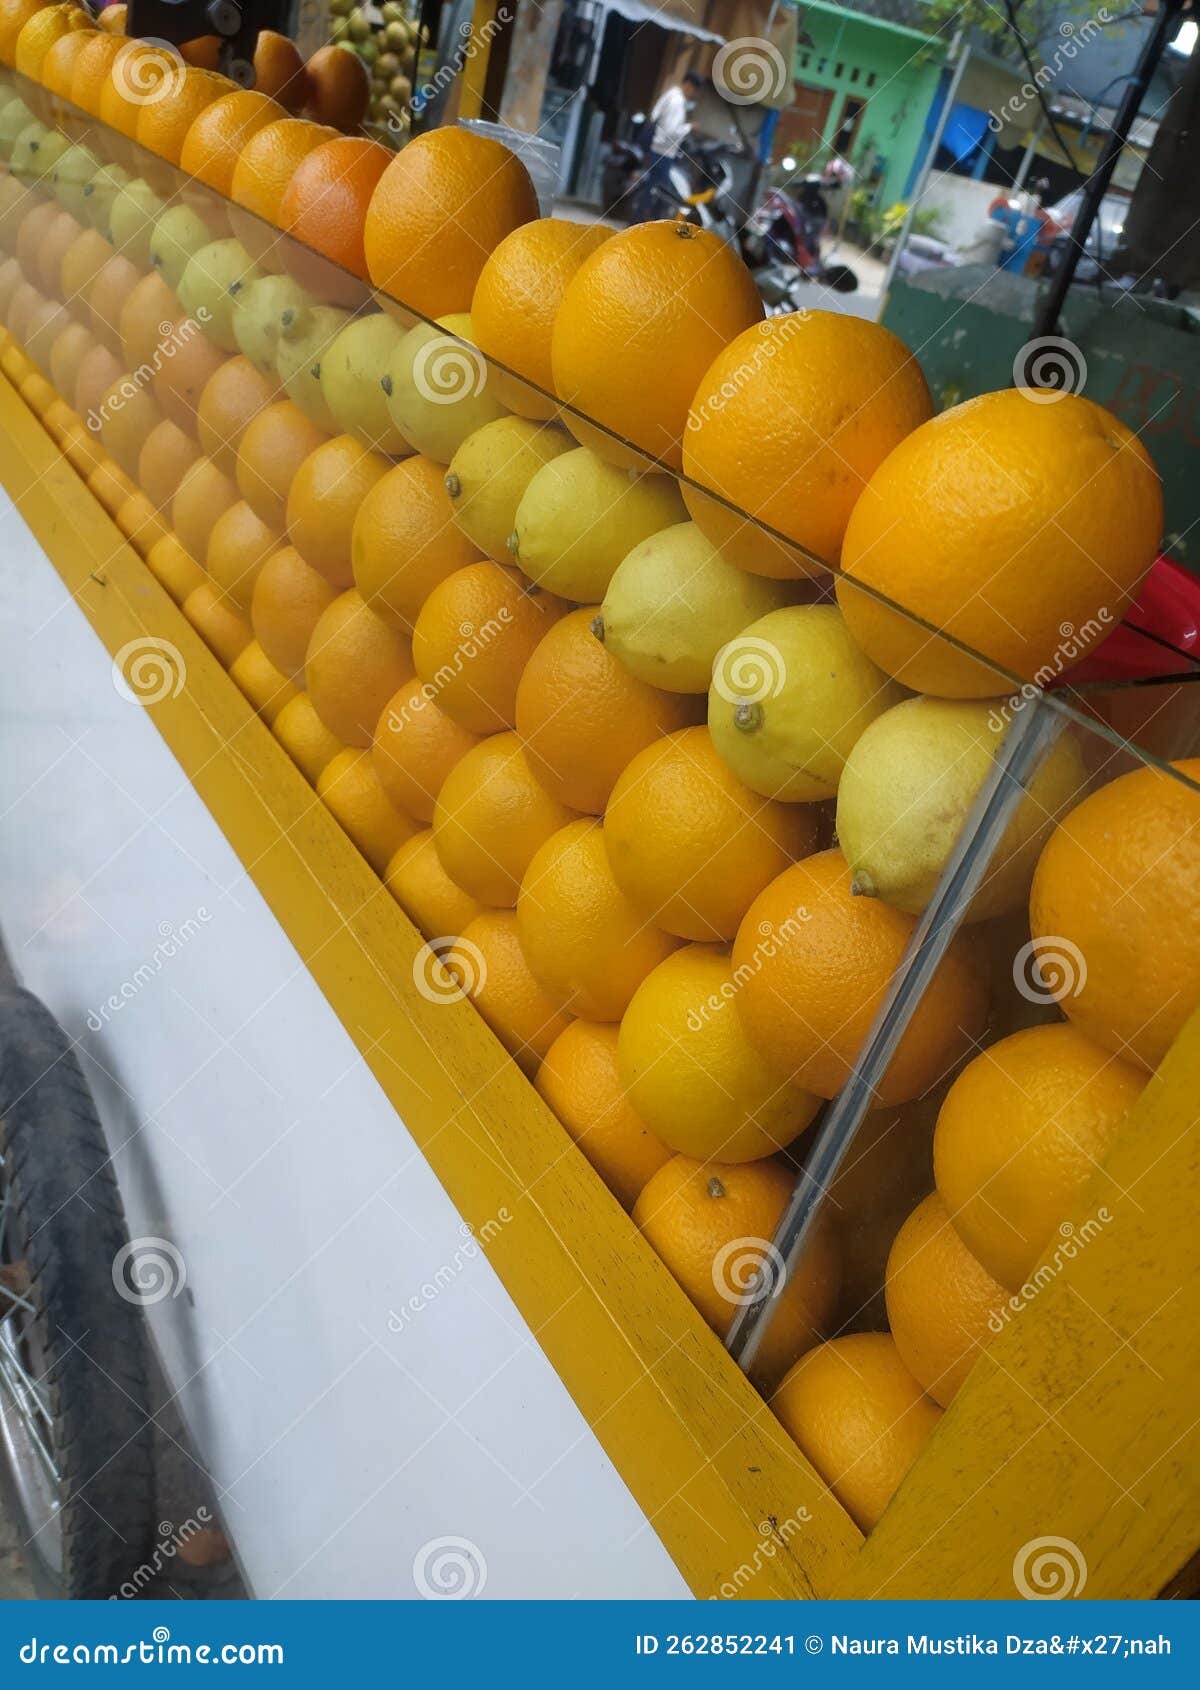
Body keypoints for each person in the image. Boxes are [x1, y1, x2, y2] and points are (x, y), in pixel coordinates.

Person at [636, 70, 702, 220]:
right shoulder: (677, 102)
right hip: (662, 152)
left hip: (657, 149)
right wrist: (689, 127)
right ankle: (642, 223)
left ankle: (641, 222)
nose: (693, 94)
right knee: (659, 194)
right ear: (688, 85)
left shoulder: (670, 95)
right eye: (694, 90)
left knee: (653, 190)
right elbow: (670, 132)